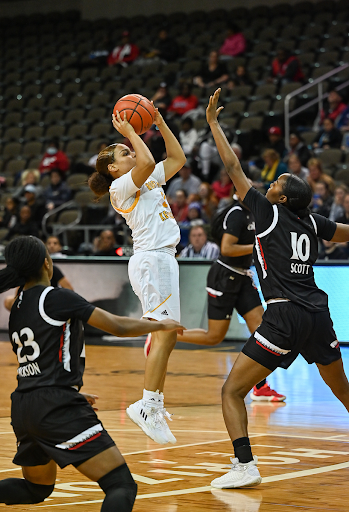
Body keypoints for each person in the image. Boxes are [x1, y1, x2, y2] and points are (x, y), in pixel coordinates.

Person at [0, 236, 183, 512]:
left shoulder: (17, 307)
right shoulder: (56, 297)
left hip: (24, 405)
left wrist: (65, 386)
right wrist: (160, 325)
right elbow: (117, 326)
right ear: (46, 262)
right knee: (121, 484)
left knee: (37, 488)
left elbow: (34, 360)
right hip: (54, 405)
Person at [205, 88, 349, 489]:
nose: (269, 182)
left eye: (276, 182)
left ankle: (244, 466)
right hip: (319, 315)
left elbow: (232, 165)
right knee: (343, 392)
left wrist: (214, 125)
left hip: (284, 314)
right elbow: (346, 233)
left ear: (281, 198)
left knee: (232, 391)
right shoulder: (312, 221)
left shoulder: (268, 212)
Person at [88, 105, 186, 445]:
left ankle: (149, 404)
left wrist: (159, 123)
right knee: (166, 331)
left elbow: (177, 159)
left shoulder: (147, 177)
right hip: (152, 260)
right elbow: (144, 163)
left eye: (130, 148)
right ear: (114, 168)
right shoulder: (119, 189)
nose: (131, 151)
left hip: (163, 260)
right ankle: (148, 405)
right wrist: (131, 132)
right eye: (124, 152)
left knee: (167, 335)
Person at [174, 190, 285, 402]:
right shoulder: (236, 213)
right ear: (237, 193)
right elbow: (227, 248)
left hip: (242, 277)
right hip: (224, 277)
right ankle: (166, 335)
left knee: (262, 330)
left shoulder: (252, 213)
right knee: (214, 336)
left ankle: (260, 386)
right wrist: (256, 247)